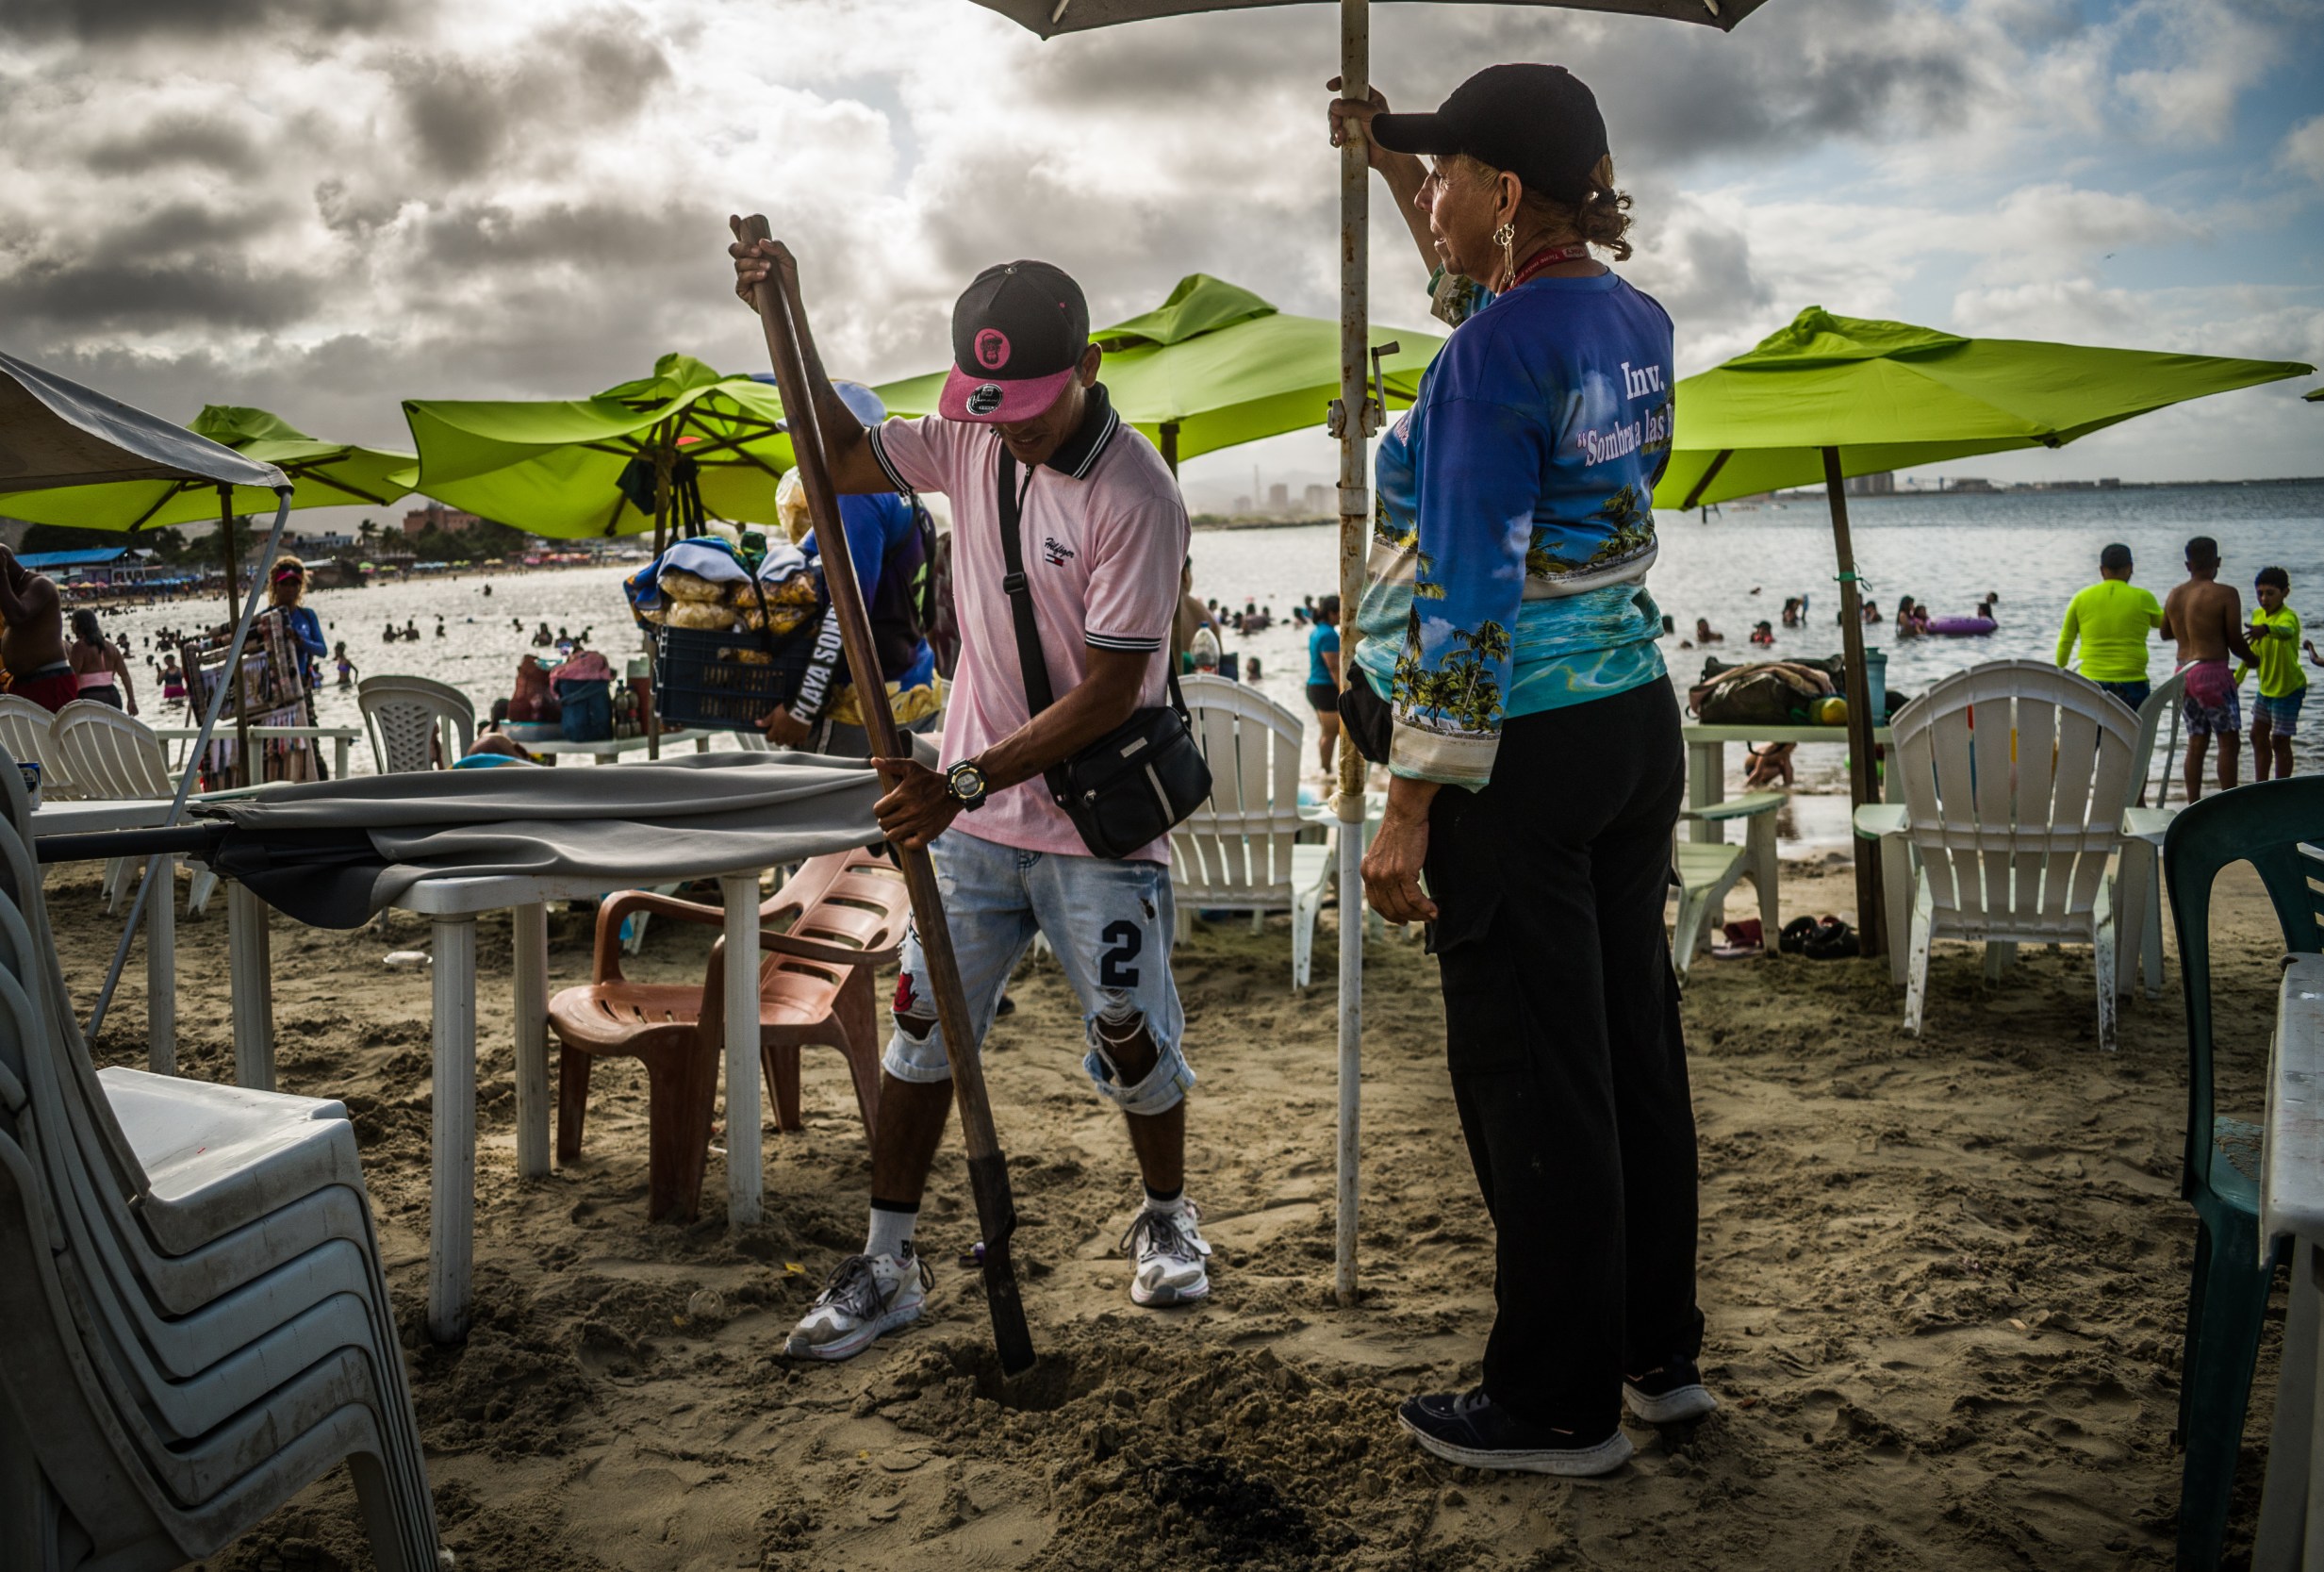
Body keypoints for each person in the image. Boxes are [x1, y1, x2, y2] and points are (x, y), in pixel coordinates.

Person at [731, 239, 1206, 1356]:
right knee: (920, 1029)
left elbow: (1111, 689)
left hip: (1094, 821)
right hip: (975, 830)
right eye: (990, 408)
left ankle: (1165, 1211)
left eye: (1030, 408)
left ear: (1087, 366)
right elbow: (834, 453)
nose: (1010, 431)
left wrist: (962, 777)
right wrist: (786, 312)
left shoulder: (1136, 493)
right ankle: (887, 1259)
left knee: (1129, 1030)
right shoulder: (967, 440)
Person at [1332, 61, 1705, 1476]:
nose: (1428, 196)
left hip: (1519, 750)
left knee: (1534, 1074)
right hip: (1628, 718)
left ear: (1501, 190)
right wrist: (1388, 162)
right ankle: (1654, 1350)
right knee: (1627, 1045)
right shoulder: (1625, 316)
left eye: (1443, 176)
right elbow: (1484, 301)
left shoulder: (1488, 358)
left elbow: (1471, 593)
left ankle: (1555, 1401)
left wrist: (1407, 804)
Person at [758, 382, 942, 757]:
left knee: (848, 799)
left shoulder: (857, 494)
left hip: (863, 706)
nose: (798, 446)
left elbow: (847, 608)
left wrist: (801, 708)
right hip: (915, 681)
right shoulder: (905, 491)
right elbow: (926, 609)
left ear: (838, 435)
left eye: (804, 435)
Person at [2162, 535, 2258, 801]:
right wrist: (2253, 660)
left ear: (2187, 565)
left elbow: (2165, 633)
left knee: (2196, 741)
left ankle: (2193, 803)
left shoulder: (2175, 594)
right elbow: (2235, 640)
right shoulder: (2226, 593)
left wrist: (2188, 628)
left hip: (2183, 673)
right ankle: (2229, 804)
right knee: (2228, 742)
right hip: (2212, 673)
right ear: (2218, 562)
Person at [2052, 542, 2161, 710]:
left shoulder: (2081, 598)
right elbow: (2167, 626)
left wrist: (2061, 669)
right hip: (2133, 682)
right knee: (2132, 726)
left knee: (2092, 726)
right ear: (2130, 568)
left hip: (2090, 681)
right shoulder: (2144, 598)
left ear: (2102, 570)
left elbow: (2066, 640)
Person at [2240, 566, 2303, 782]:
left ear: (2285, 592)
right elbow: (2252, 651)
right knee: (2256, 735)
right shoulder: (2258, 615)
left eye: (2270, 593)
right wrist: (2237, 679)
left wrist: (2267, 629)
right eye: (2260, 593)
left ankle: (2281, 787)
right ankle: (2261, 785)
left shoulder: (2288, 617)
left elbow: (2287, 632)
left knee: (2279, 740)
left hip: (2288, 689)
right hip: (2265, 689)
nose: (2264, 599)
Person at [0, 545, 74, 713]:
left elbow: (17, 616)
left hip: (49, 681)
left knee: (51, 730)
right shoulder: (14, 593)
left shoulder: (40, 584)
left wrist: (1, 576)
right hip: (24, 682)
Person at [269, 557, 327, 689]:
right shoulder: (266, 618)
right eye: (284, 584)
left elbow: (322, 650)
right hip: (274, 688)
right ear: (275, 586)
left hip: (301, 686)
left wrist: (300, 641)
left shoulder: (307, 615)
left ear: (299, 588)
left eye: (293, 584)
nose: (289, 589)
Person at [68, 609, 139, 713]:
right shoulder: (111, 647)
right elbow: (125, 675)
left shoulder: (79, 647)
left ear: (78, 624)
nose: (71, 625)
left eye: (72, 622)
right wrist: (131, 700)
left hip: (90, 697)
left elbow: (72, 677)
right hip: (113, 696)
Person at [1307, 594, 1343, 772]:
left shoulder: (1317, 631)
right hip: (1325, 688)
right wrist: (1343, 690)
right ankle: (1326, 770)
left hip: (1315, 686)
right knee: (1331, 733)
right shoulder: (1329, 634)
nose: (1343, 616)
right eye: (1340, 612)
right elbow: (1333, 666)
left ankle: (1324, 771)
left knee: (1326, 733)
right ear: (1331, 613)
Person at [1170, 556, 1219, 671]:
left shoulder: (1154, 611)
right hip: (1199, 680)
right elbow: (1220, 668)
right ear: (1185, 574)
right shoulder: (1207, 616)